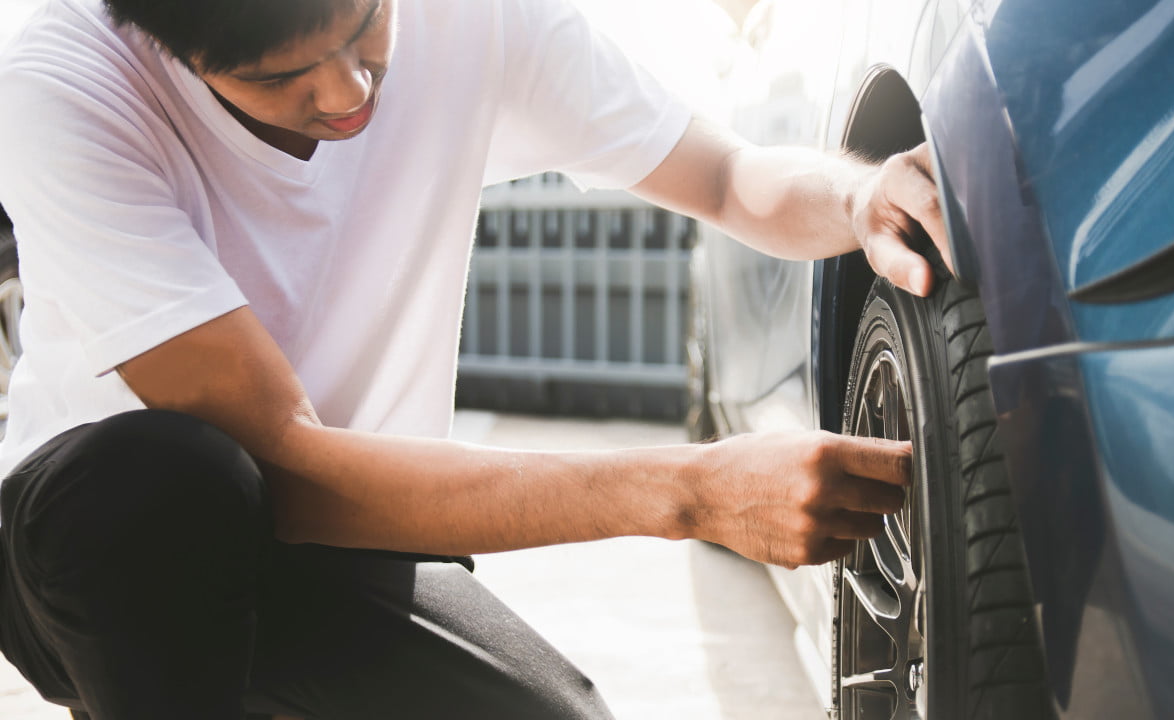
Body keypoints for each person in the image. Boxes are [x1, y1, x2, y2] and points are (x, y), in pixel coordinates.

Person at [0, 0, 949, 717]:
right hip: (108, 549)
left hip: (361, 532)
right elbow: (282, 460)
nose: (347, 94)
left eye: (364, 24)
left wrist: (858, 198)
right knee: (171, 482)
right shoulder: (64, 77)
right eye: (279, 77)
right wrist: (692, 492)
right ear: (165, 44)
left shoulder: (476, 16)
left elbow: (731, 178)